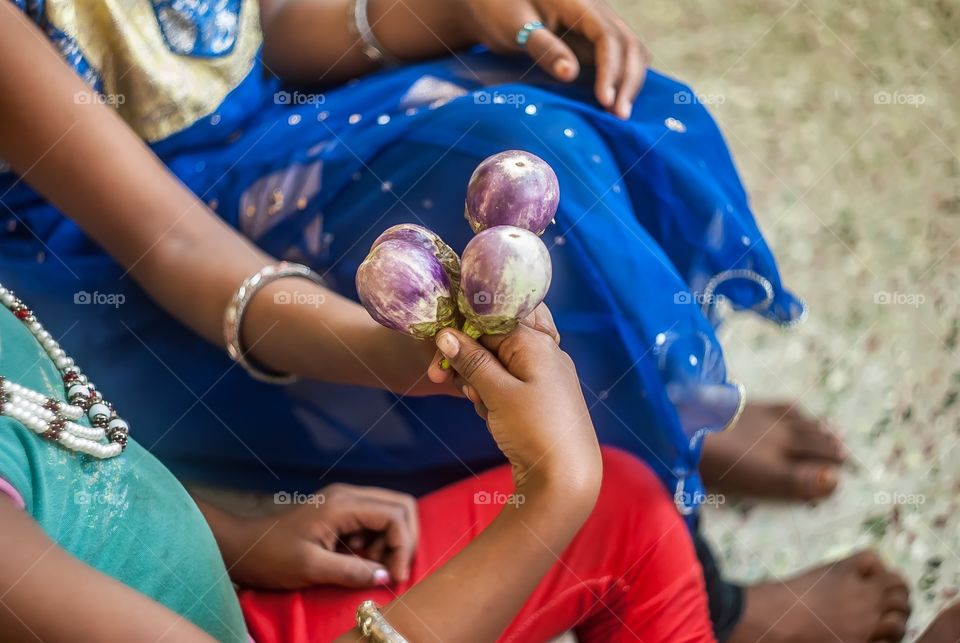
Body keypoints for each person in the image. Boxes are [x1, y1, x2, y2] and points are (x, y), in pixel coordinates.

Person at [0, 1, 864, 639]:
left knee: (532, 137)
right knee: (514, 239)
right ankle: (647, 449)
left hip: (251, 142)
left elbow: (258, 28)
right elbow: (176, 244)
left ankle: (661, 410)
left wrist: (446, 12)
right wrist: (543, 487)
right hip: (114, 265)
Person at [0, 283, 721, 642]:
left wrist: (236, 535)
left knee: (625, 509)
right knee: (588, 498)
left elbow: (73, 476)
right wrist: (552, 491)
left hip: (231, 612)